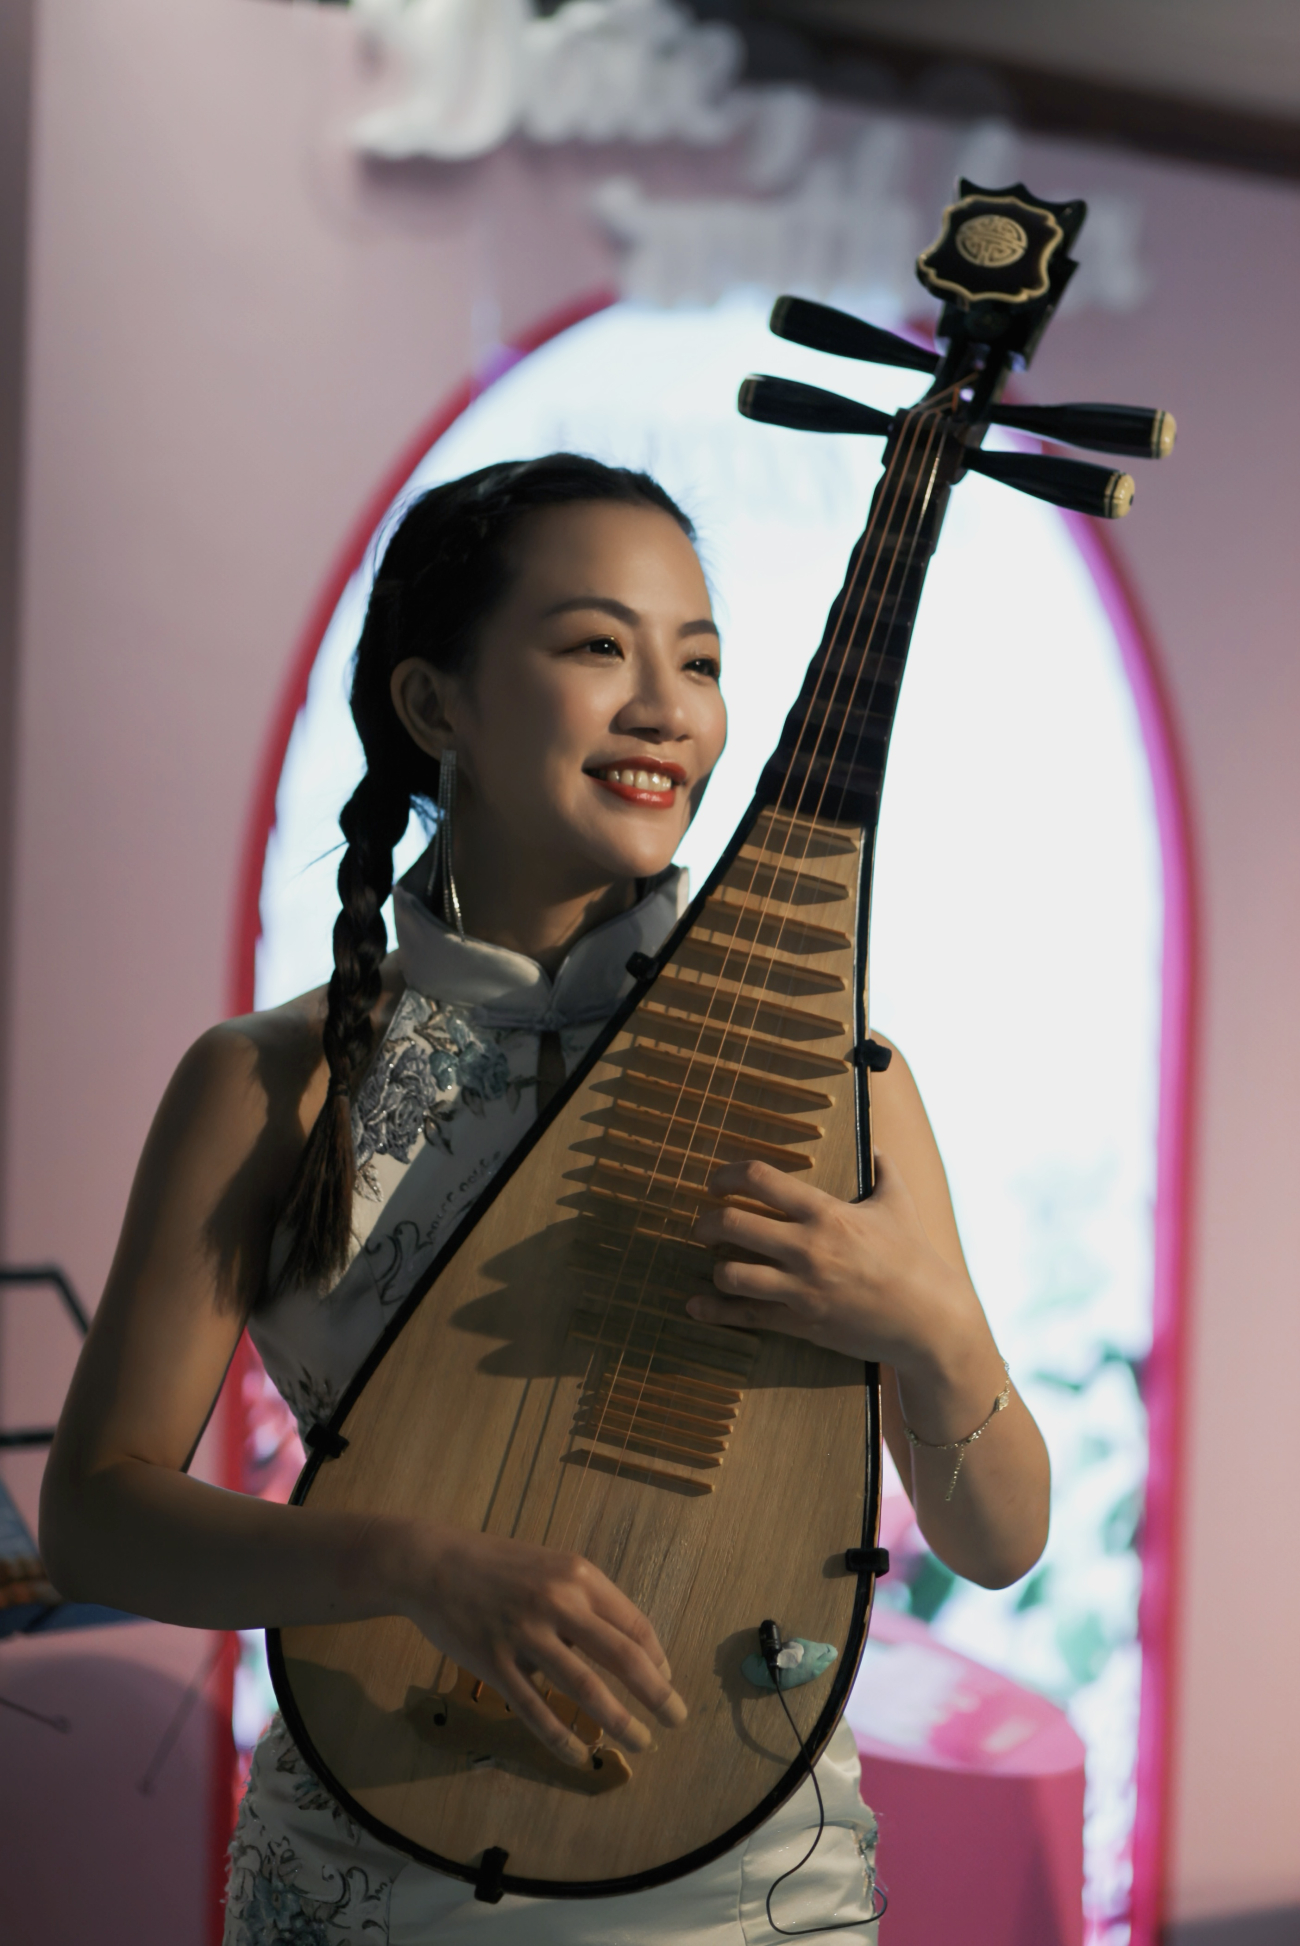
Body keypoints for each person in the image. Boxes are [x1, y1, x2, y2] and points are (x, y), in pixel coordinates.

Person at [40, 455, 1050, 1944]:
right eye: (597, 646)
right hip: (376, 1855)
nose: (667, 710)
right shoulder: (276, 1081)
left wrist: (932, 1330)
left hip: (749, 1882)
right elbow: (94, 1518)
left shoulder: (839, 1077)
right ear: (434, 702)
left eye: (699, 663)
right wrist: (408, 1563)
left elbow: (1003, 1540)